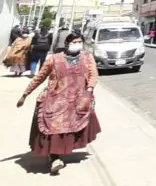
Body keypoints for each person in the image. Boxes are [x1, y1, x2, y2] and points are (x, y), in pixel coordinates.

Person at [17, 33, 102, 175]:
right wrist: (25, 94)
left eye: (79, 41)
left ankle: (62, 152)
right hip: (56, 99)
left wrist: (89, 89)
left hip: (78, 100)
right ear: (67, 43)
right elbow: (40, 77)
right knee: (53, 129)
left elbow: (93, 74)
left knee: (73, 127)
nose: (77, 44)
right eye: (74, 41)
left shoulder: (87, 57)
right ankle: (55, 158)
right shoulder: (54, 59)